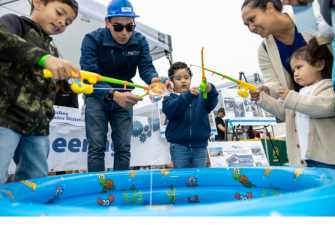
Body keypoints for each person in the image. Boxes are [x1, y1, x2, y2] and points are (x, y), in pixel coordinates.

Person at [80, 0, 172, 172]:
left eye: (130, 27)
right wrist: (113, 94)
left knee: (123, 148)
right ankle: (97, 190)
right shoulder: (91, 39)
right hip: (97, 97)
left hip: (125, 98)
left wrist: (154, 80)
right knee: (96, 147)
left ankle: (119, 191)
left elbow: (146, 68)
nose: (124, 32)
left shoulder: (140, 40)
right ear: (107, 22)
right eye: (118, 27)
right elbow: (89, 74)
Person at [0, 0, 80, 186]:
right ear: (37, 2)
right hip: (5, 119)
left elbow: (48, 91)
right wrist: (44, 59)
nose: (62, 23)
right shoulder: (15, 23)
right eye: (59, 13)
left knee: (37, 182)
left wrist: (45, 121)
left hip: (37, 129)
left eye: (68, 22)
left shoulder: (53, 50)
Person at [257, 38, 335, 170]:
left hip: (330, 158)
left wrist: (292, 97)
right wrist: (262, 98)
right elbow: (285, 113)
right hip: (305, 159)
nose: (295, 73)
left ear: (319, 65)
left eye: (299, 67)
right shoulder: (299, 93)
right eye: (293, 70)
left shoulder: (327, 86)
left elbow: (325, 106)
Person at [241, 0, 331, 102]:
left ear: (270, 8)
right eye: (247, 25)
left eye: (252, 19)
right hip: (303, 106)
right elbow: (274, 82)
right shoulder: (264, 49)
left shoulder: (305, 18)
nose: (251, 28)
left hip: (334, 93)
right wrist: (268, 89)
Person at [162, 62, 218, 168]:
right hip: (179, 146)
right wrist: (187, 96)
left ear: (190, 79)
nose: (183, 80)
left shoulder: (201, 96)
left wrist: (210, 90)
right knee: (182, 179)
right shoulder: (169, 98)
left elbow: (212, 101)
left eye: (186, 77)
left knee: (199, 178)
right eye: (178, 78)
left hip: (201, 146)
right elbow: (171, 111)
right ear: (171, 82)